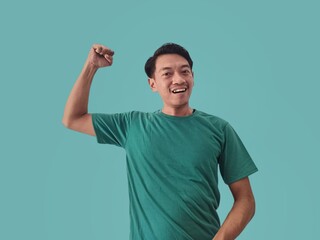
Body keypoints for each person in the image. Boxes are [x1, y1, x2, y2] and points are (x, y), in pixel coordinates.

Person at [62, 43, 258, 240]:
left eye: (185, 72)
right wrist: (91, 67)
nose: (179, 79)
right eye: (167, 74)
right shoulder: (132, 125)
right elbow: (73, 118)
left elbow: (245, 200)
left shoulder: (219, 129)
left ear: (192, 77)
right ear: (153, 84)